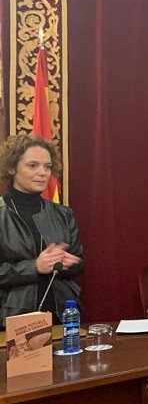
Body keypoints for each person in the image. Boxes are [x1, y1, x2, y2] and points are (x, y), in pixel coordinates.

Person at [0, 134, 84, 327]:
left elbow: (80, 263)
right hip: (12, 318)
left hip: (62, 315)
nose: (43, 173)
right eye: (33, 166)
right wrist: (34, 267)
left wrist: (68, 263)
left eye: (47, 166)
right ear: (12, 168)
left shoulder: (63, 213)